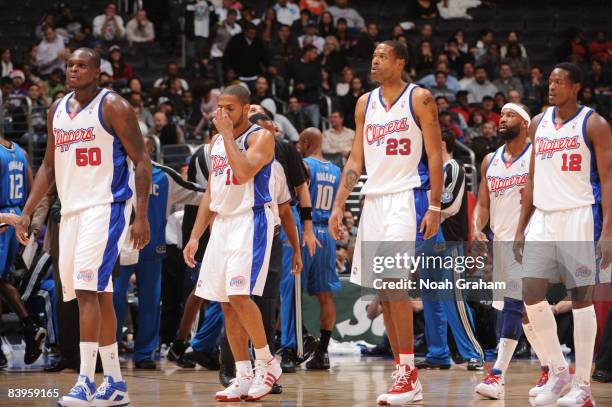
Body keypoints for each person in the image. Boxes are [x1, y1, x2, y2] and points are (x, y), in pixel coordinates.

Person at [16, 48, 152, 406]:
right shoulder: (57, 109)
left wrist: (142, 215)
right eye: (69, 66)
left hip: (105, 208)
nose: (73, 70)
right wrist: (28, 211)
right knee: (96, 293)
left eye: (81, 66)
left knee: (88, 292)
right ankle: (116, 384)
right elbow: (47, 167)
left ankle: (84, 381)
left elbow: (141, 161)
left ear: (97, 71)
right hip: (72, 211)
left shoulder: (114, 107)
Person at [329, 40, 443, 405]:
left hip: (404, 198)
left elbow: (436, 152)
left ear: (400, 62)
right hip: (372, 202)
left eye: (381, 56)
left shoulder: (420, 98)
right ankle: (403, 372)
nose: (374, 61)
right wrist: (336, 206)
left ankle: (408, 373)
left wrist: (436, 205)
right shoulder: (365, 103)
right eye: (373, 56)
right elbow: (355, 161)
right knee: (385, 293)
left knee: (396, 286)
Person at [514, 62, 612, 406]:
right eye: (549, 81)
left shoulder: (595, 124)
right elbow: (530, 179)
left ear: (576, 87)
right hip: (542, 216)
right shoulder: (538, 124)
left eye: (559, 82)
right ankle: (558, 371)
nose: (551, 86)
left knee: (581, 297)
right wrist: (520, 227)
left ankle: (583, 387)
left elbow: (609, 180)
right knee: (530, 292)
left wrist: (608, 232)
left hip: (578, 217)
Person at [183, 86, 287, 401]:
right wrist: (196, 235)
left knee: (240, 296)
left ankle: (268, 363)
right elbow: (211, 194)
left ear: (246, 107)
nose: (223, 113)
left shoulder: (262, 137)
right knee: (225, 302)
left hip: (251, 220)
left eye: (230, 107)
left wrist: (227, 135)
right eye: (220, 107)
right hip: (223, 224)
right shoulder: (215, 142)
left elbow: (242, 173)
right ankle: (242, 373)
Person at [472, 103, 551, 400]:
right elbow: (482, 203)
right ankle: (550, 367)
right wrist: (477, 227)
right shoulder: (489, 160)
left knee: (514, 302)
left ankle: (497, 374)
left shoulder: (536, 156)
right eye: (501, 115)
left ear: (525, 123)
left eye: (509, 115)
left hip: (531, 238)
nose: (502, 119)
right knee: (524, 313)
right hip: (501, 242)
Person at [113, 141, 203, 370]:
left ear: (151, 149)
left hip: (152, 250)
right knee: (113, 300)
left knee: (151, 302)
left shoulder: (164, 176)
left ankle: (145, 353)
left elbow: (200, 194)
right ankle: (109, 350)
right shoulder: (113, 170)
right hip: (119, 249)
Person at [0, 116, 47, 368]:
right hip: (18, 217)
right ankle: (30, 327)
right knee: (4, 281)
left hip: (2, 219)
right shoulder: (19, 151)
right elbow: (32, 189)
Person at [296, 128, 341, 370]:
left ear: (305, 142)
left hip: (308, 231)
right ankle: (322, 352)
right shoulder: (336, 169)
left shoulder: (304, 165)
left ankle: (303, 340)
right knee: (326, 297)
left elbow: (299, 199)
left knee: (290, 293)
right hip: (328, 234)